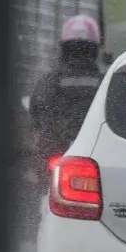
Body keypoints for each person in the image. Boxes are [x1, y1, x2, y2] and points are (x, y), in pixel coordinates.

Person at [29, 14, 107, 167]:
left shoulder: (48, 80)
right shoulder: (105, 81)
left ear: (64, 48)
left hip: (53, 152)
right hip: (94, 153)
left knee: (42, 185)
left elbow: (35, 117)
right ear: (94, 49)